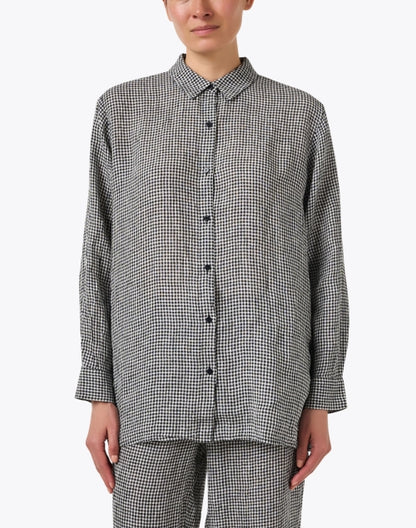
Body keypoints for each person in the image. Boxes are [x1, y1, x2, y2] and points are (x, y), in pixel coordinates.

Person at [74, 0, 349, 526]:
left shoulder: (300, 115)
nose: (200, 9)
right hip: (149, 388)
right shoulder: (121, 111)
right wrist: (99, 391)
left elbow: (325, 260)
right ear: (165, 5)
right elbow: (99, 256)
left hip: (266, 388)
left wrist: (321, 396)